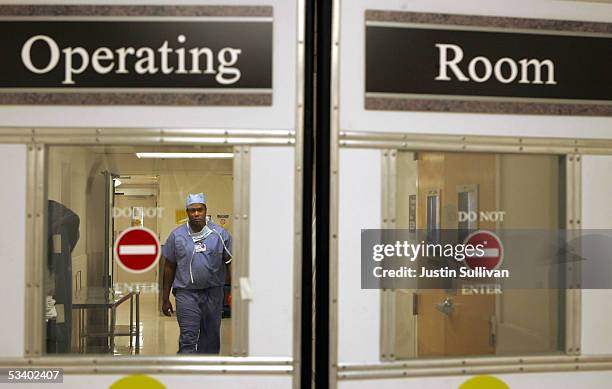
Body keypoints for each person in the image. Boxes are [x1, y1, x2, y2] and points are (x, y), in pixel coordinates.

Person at [161, 193, 232, 354]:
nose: (196, 214)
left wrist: (233, 291)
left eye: (200, 210)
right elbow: (169, 267)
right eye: (192, 210)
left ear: (206, 210)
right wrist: (165, 298)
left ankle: (207, 375)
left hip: (213, 293)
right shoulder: (177, 236)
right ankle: (186, 375)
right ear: (187, 212)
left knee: (211, 337)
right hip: (186, 294)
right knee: (188, 337)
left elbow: (230, 262)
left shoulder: (220, 234)